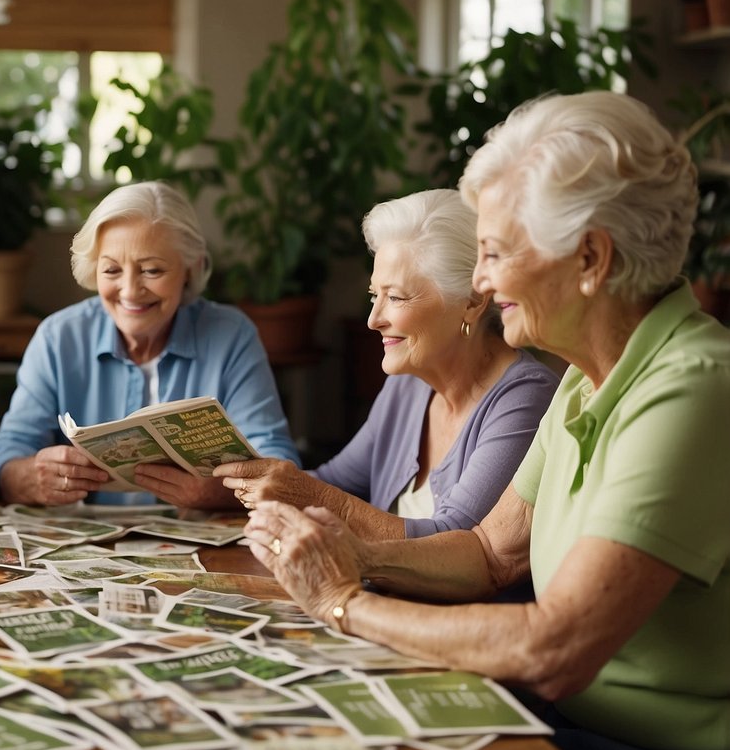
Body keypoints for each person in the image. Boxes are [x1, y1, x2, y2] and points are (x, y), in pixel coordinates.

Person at [243, 92, 730, 750]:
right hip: (557, 726)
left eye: (495, 252)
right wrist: (356, 556)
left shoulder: (693, 390)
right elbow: (488, 554)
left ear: (589, 257)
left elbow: (553, 649)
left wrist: (343, 601)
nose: (477, 280)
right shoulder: (585, 379)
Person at [217, 189, 558, 540]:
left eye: (395, 297)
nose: (373, 319)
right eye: (373, 295)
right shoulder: (409, 383)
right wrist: (232, 480)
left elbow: (454, 541)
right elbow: (334, 481)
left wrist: (313, 497)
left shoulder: (525, 398)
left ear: (471, 301)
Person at [0, 181, 300, 508]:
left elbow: (279, 464)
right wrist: (29, 477)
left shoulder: (232, 336)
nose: (130, 291)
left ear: (189, 270)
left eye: (151, 270)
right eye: (111, 270)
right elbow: (5, 457)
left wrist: (212, 493)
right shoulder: (58, 337)